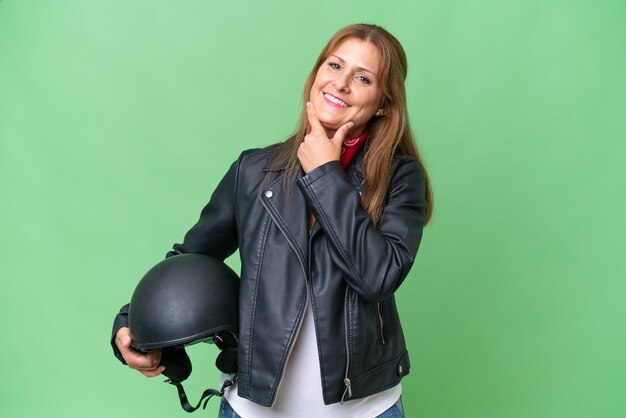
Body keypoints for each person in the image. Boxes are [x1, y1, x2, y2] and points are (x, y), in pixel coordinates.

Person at [111, 23, 433, 418]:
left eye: (363, 78)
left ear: (383, 102)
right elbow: (192, 258)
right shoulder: (253, 170)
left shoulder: (402, 178)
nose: (341, 84)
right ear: (316, 74)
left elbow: (377, 277)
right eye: (334, 66)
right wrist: (130, 323)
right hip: (251, 410)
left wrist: (325, 175)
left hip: (367, 410)